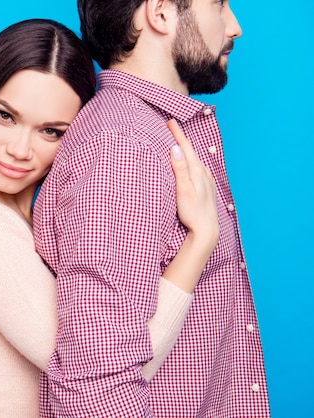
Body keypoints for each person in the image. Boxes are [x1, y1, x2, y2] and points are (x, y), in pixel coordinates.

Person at [0, 18, 218, 418]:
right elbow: (98, 372)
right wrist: (199, 242)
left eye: (51, 132)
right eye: (5, 116)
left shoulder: (22, 223)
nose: (20, 150)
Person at [34, 0, 270, 416]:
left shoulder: (152, 134)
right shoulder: (123, 149)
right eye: (218, 4)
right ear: (160, 12)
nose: (235, 26)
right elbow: (95, 387)